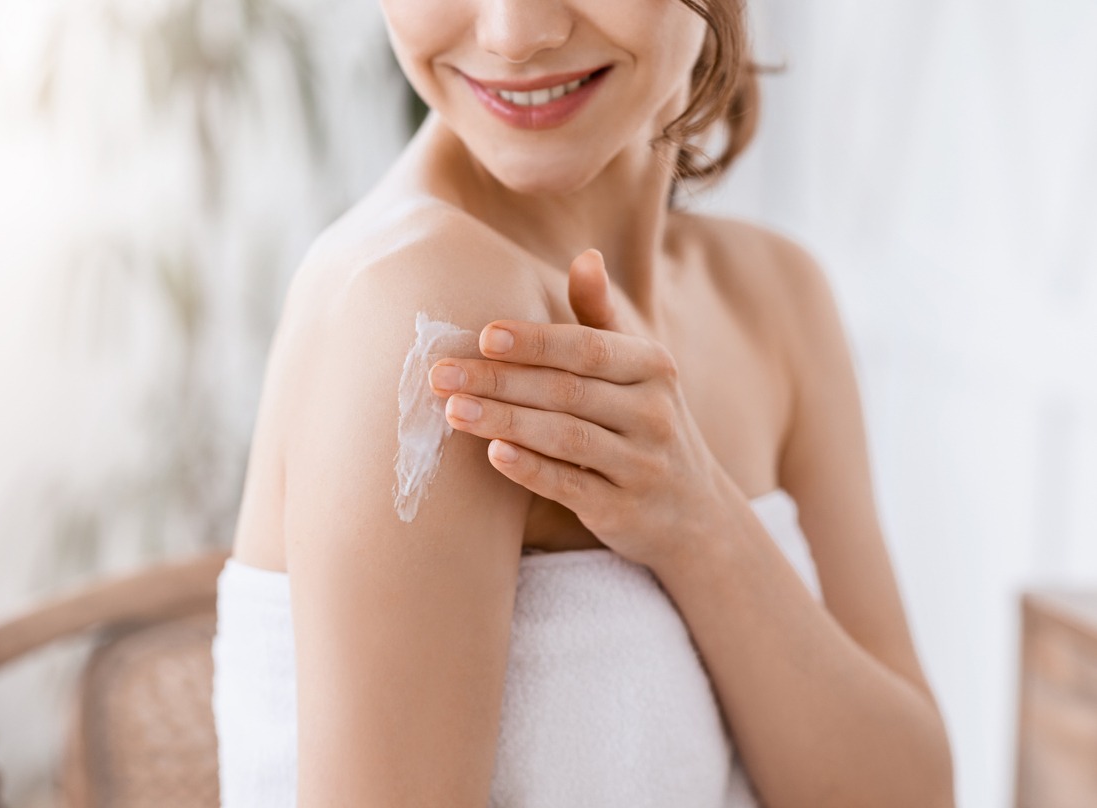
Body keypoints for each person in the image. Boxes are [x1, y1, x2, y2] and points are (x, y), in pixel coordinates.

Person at [212, 1, 956, 806]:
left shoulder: (774, 301)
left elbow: (909, 791)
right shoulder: (429, 310)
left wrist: (700, 523)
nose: (510, 33)